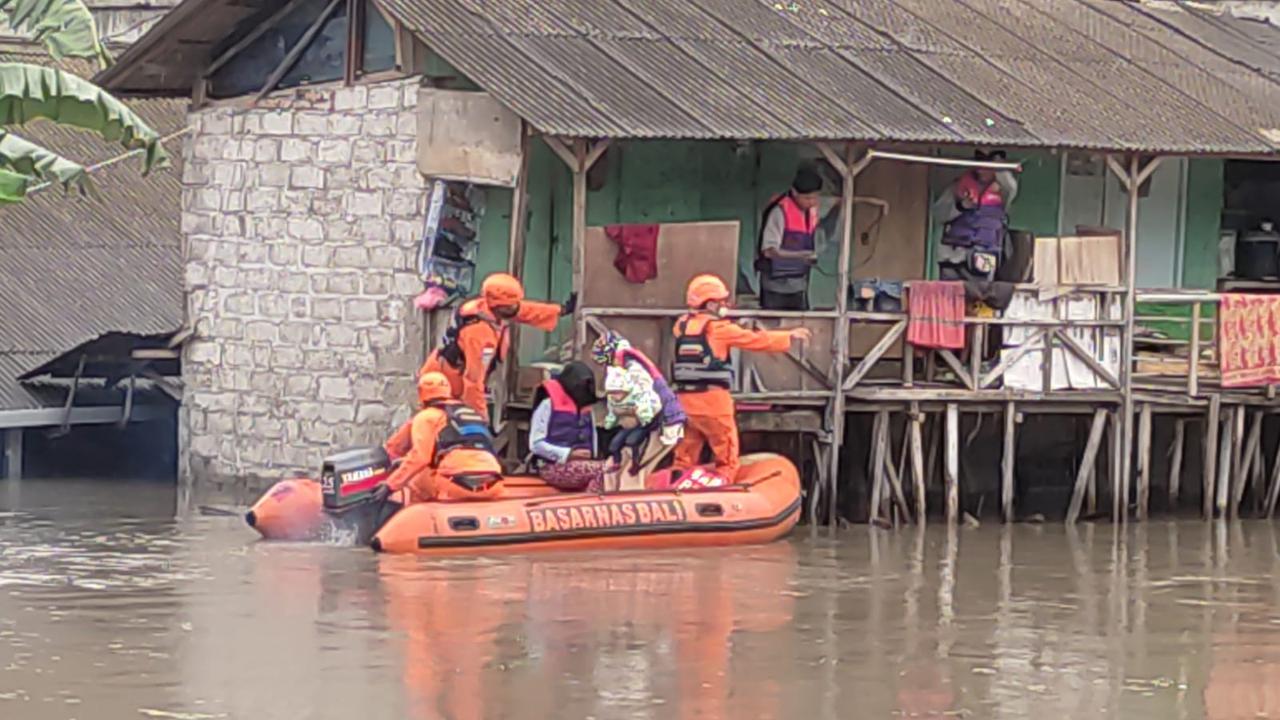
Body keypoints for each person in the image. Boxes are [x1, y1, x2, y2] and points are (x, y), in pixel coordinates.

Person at [671, 274, 811, 480]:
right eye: (721, 301)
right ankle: (726, 486)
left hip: (685, 401)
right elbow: (755, 340)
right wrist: (787, 336)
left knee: (686, 450)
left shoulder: (681, 325)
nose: (725, 305)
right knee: (726, 451)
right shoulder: (719, 329)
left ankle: (677, 482)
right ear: (709, 303)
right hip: (713, 401)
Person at [418, 272, 574, 422]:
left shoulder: (485, 307)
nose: (516, 309)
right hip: (444, 386)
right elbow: (473, 380)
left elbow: (524, 310)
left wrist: (560, 310)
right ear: (498, 307)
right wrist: (479, 418)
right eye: (511, 306)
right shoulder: (479, 333)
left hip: (448, 373)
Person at [373, 372, 504, 505]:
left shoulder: (426, 416)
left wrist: (390, 485)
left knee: (414, 480)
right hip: (493, 484)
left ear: (420, 393)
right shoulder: (470, 414)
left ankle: (416, 521)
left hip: (455, 486)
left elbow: (420, 457)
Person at [756, 165, 841, 311]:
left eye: (815, 197)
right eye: (807, 198)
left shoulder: (812, 211)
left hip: (799, 285)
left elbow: (836, 205)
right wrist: (801, 255)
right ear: (794, 192)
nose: (812, 202)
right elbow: (769, 251)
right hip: (775, 287)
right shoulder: (779, 212)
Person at [931, 149, 1018, 283]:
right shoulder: (959, 186)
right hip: (954, 255)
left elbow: (1010, 185)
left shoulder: (1004, 190)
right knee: (951, 297)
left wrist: (998, 165)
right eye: (979, 165)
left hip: (985, 254)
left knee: (980, 296)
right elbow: (938, 214)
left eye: (986, 167)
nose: (981, 171)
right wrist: (961, 206)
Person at [528, 361, 607, 492]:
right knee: (603, 470)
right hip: (551, 466)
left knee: (613, 468)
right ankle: (587, 503)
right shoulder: (547, 405)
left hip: (583, 465)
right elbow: (535, 444)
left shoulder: (586, 407)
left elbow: (593, 440)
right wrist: (568, 454)